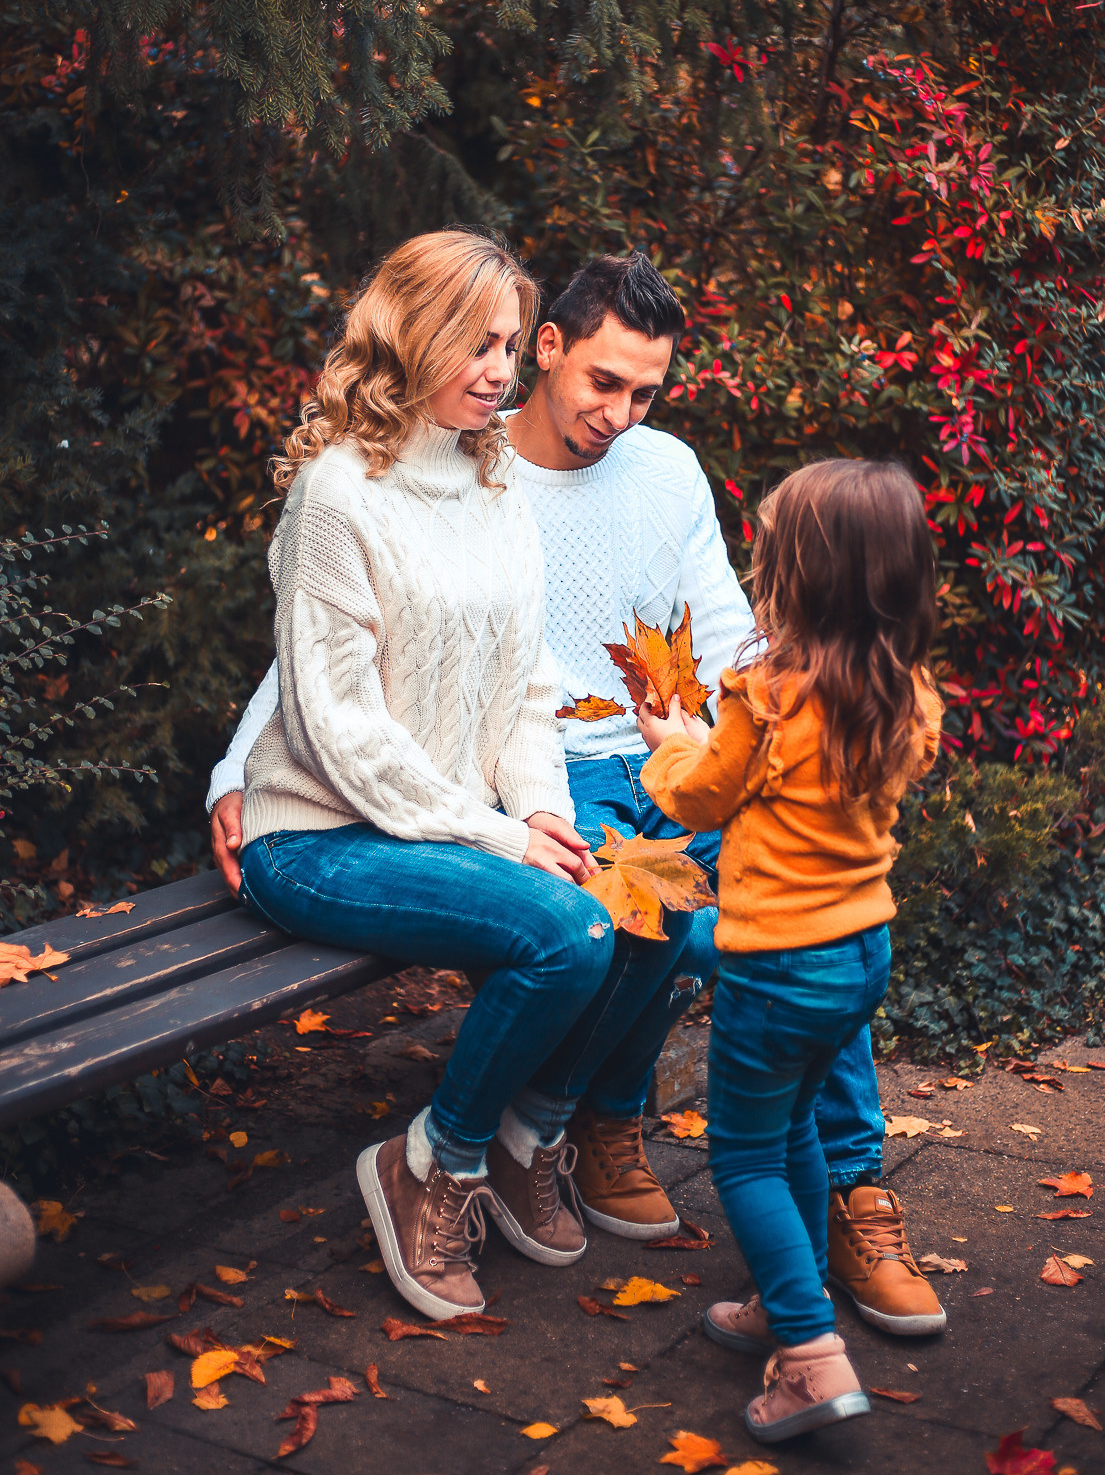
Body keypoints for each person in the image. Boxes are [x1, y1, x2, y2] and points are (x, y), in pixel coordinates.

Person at [209, 252, 944, 1333]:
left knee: (782, 924)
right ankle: (543, 1130)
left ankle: (844, 1190)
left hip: (629, 764)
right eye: (600, 381)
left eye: (645, 392)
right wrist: (238, 770)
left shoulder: (593, 472)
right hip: (466, 795)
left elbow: (638, 649)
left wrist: (759, 738)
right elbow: (320, 674)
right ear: (546, 347)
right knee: (640, 911)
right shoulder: (403, 477)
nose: (619, 412)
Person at [233, 230, 622, 1323]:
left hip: (435, 827)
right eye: (480, 343)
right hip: (315, 837)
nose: (505, 370)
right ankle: (430, 1167)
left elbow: (525, 690)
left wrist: (541, 805)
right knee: (568, 935)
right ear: (416, 336)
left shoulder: (495, 480)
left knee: (630, 916)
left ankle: (519, 1138)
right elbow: (339, 733)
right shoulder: (337, 494)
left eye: (511, 343)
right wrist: (499, 834)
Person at [635, 459, 944, 1442]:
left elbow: (695, 797)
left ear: (798, 576)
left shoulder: (764, 693)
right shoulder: (905, 692)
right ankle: (790, 1286)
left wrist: (668, 735)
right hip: (860, 956)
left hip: (774, 967)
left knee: (746, 1159)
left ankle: (809, 1353)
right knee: (803, 1122)